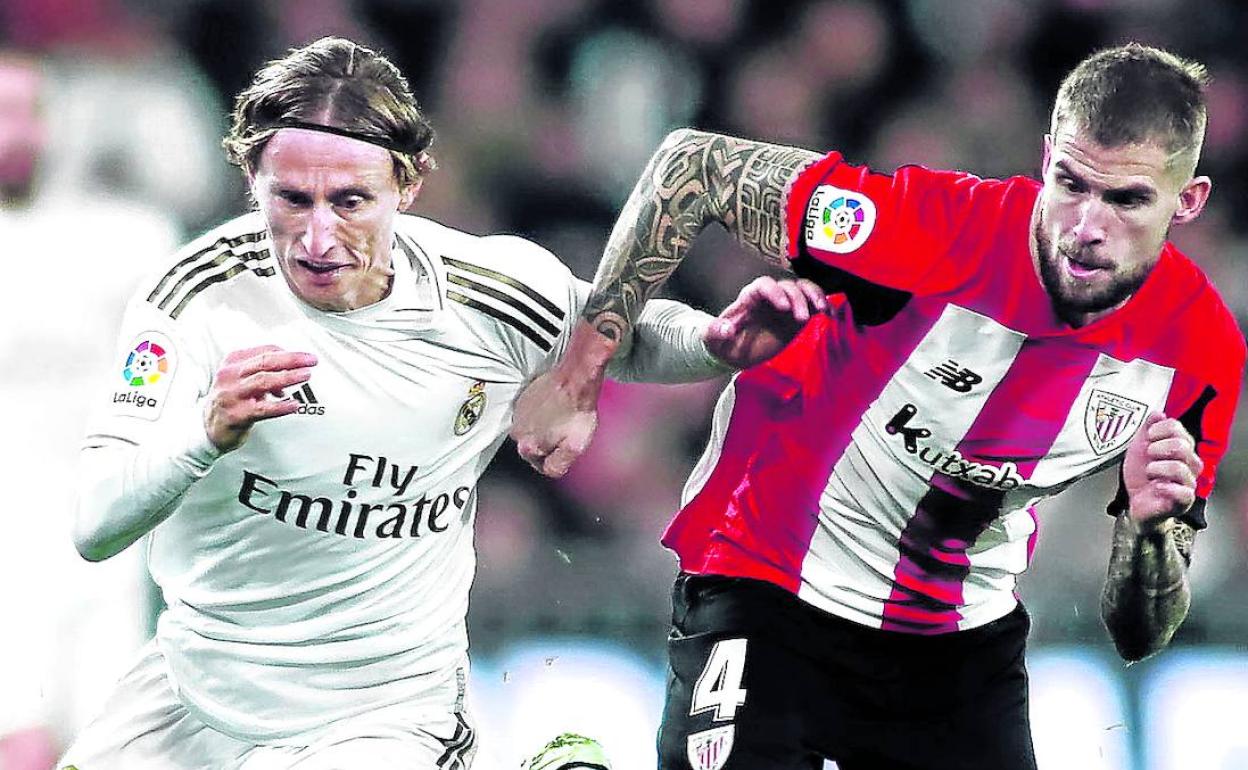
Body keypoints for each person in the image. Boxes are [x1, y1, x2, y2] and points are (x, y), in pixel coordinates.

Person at [61, 36, 827, 770]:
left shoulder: (484, 294)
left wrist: (715, 340)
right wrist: (204, 433)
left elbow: (623, 335)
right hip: (192, 692)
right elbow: (96, 524)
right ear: (251, 181)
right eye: (291, 199)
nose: (318, 237)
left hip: (380, 713)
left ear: (409, 184)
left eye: (350, 201)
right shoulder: (196, 299)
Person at [512, 43, 1245, 769]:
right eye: (1071, 183)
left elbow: (1140, 635)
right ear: (1047, 156)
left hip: (956, 648)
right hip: (772, 582)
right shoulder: (929, 231)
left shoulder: (1200, 357)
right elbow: (694, 167)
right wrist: (578, 376)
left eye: (1125, 200)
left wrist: (1150, 531)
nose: (1085, 226)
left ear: (1187, 201)